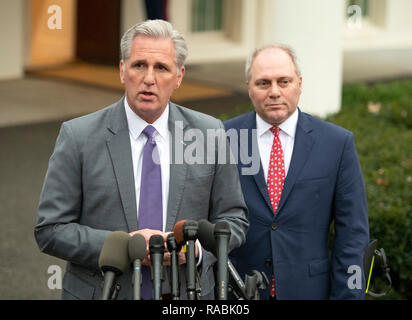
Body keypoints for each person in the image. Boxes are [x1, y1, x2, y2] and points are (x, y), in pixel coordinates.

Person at [34, 19, 248, 300]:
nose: (149, 78)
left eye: (161, 68)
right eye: (139, 65)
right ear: (123, 70)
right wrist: (123, 246)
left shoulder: (209, 133)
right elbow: (50, 229)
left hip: (186, 294)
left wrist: (195, 249)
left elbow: (234, 220)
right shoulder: (78, 136)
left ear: (180, 76)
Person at [224, 45, 369, 299]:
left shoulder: (337, 143)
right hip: (238, 292)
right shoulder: (222, 139)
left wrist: (349, 295)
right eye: (263, 83)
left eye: (284, 81)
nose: (275, 92)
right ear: (249, 87)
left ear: (299, 83)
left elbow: (353, 237)